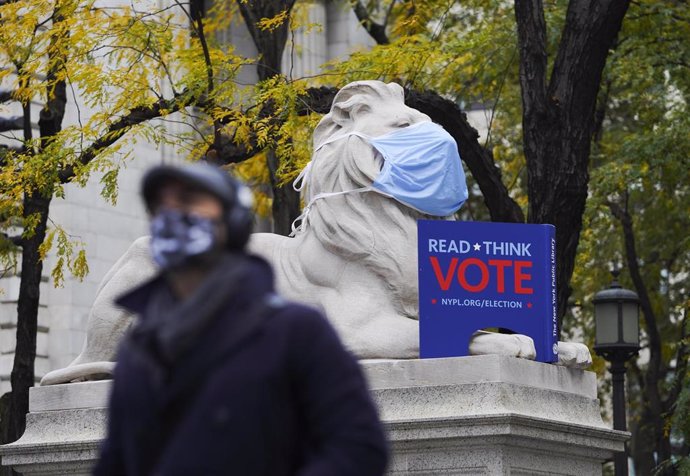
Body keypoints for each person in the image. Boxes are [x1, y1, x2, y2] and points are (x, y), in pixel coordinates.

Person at [93, 162, 388, 476]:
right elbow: (116, 462)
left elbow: (358, 449)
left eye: (189, 202)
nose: (173, 216)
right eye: (162, 207)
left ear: (231, 223)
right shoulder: (139, 350)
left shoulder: (297, 332)